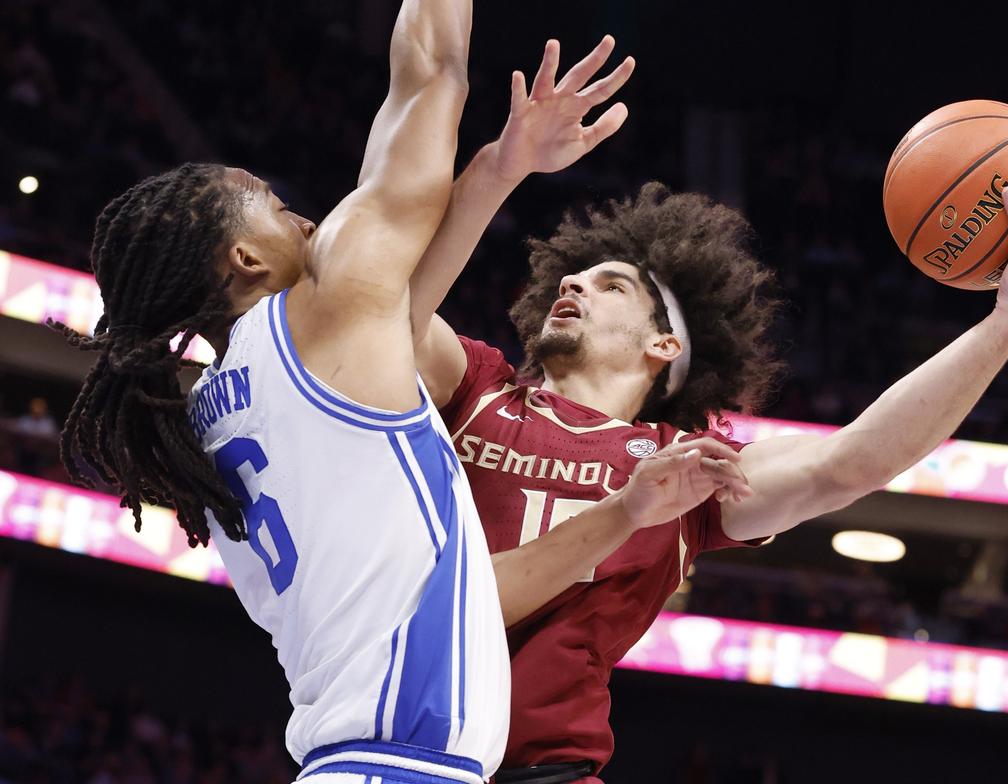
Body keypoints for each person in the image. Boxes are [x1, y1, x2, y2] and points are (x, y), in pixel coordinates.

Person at [51, 11, 744, 783]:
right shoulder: (322, 307)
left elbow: (465, 586)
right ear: (244, 257)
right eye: (273, 205)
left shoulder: (212, 420)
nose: (306, 217)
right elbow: (430, 75)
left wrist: (498, 166)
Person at [407, 42, 1008, 780]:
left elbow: (852, 462)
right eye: (568, 280)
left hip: (542, 769)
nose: (571, 287)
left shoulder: (683, 475)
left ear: (664, 343)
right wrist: (498, 171)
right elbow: (387, 310)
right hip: (393, 744)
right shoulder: (477, 390)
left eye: (609, 286)